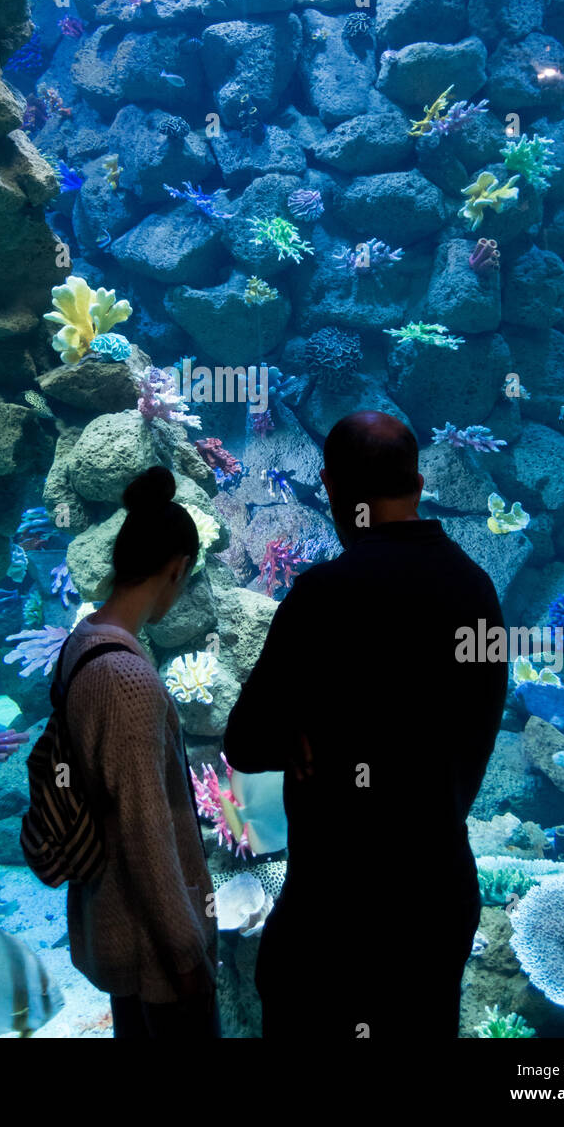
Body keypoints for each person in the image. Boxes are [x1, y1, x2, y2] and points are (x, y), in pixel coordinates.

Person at [224, 411, 507, 1041]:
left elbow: (245, 742)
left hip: (336, 911)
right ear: (419, 479)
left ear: (328, 484)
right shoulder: (477, 591)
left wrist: (295, 732)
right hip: (438, 899)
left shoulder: (324, 595)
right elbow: (474, 725)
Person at [59, 465, 219, 1039]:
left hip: (112, 923)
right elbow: (147, 835)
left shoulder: (81, 645)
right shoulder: (128, 680)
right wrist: (187, 957)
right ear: (175, 570)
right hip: (155, 950)